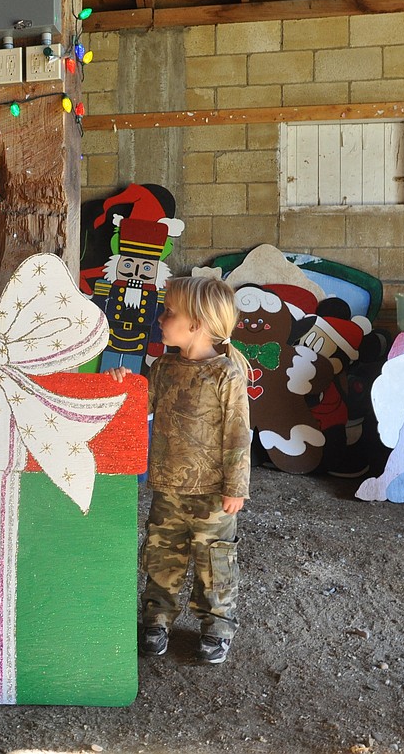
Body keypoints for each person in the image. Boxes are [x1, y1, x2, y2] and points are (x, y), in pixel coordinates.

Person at [108, 275, 251, 664]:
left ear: (197, 325)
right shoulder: (163, 366)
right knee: (162, 554)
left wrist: (236, 487)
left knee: (214, 560)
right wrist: (124, 385)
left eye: (169, 312)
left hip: (213, 494)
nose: (160, 317)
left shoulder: (226, 375)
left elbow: (238, 434)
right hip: (168, 487)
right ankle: (157, 617)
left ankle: (217, 624)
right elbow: (141, 405)